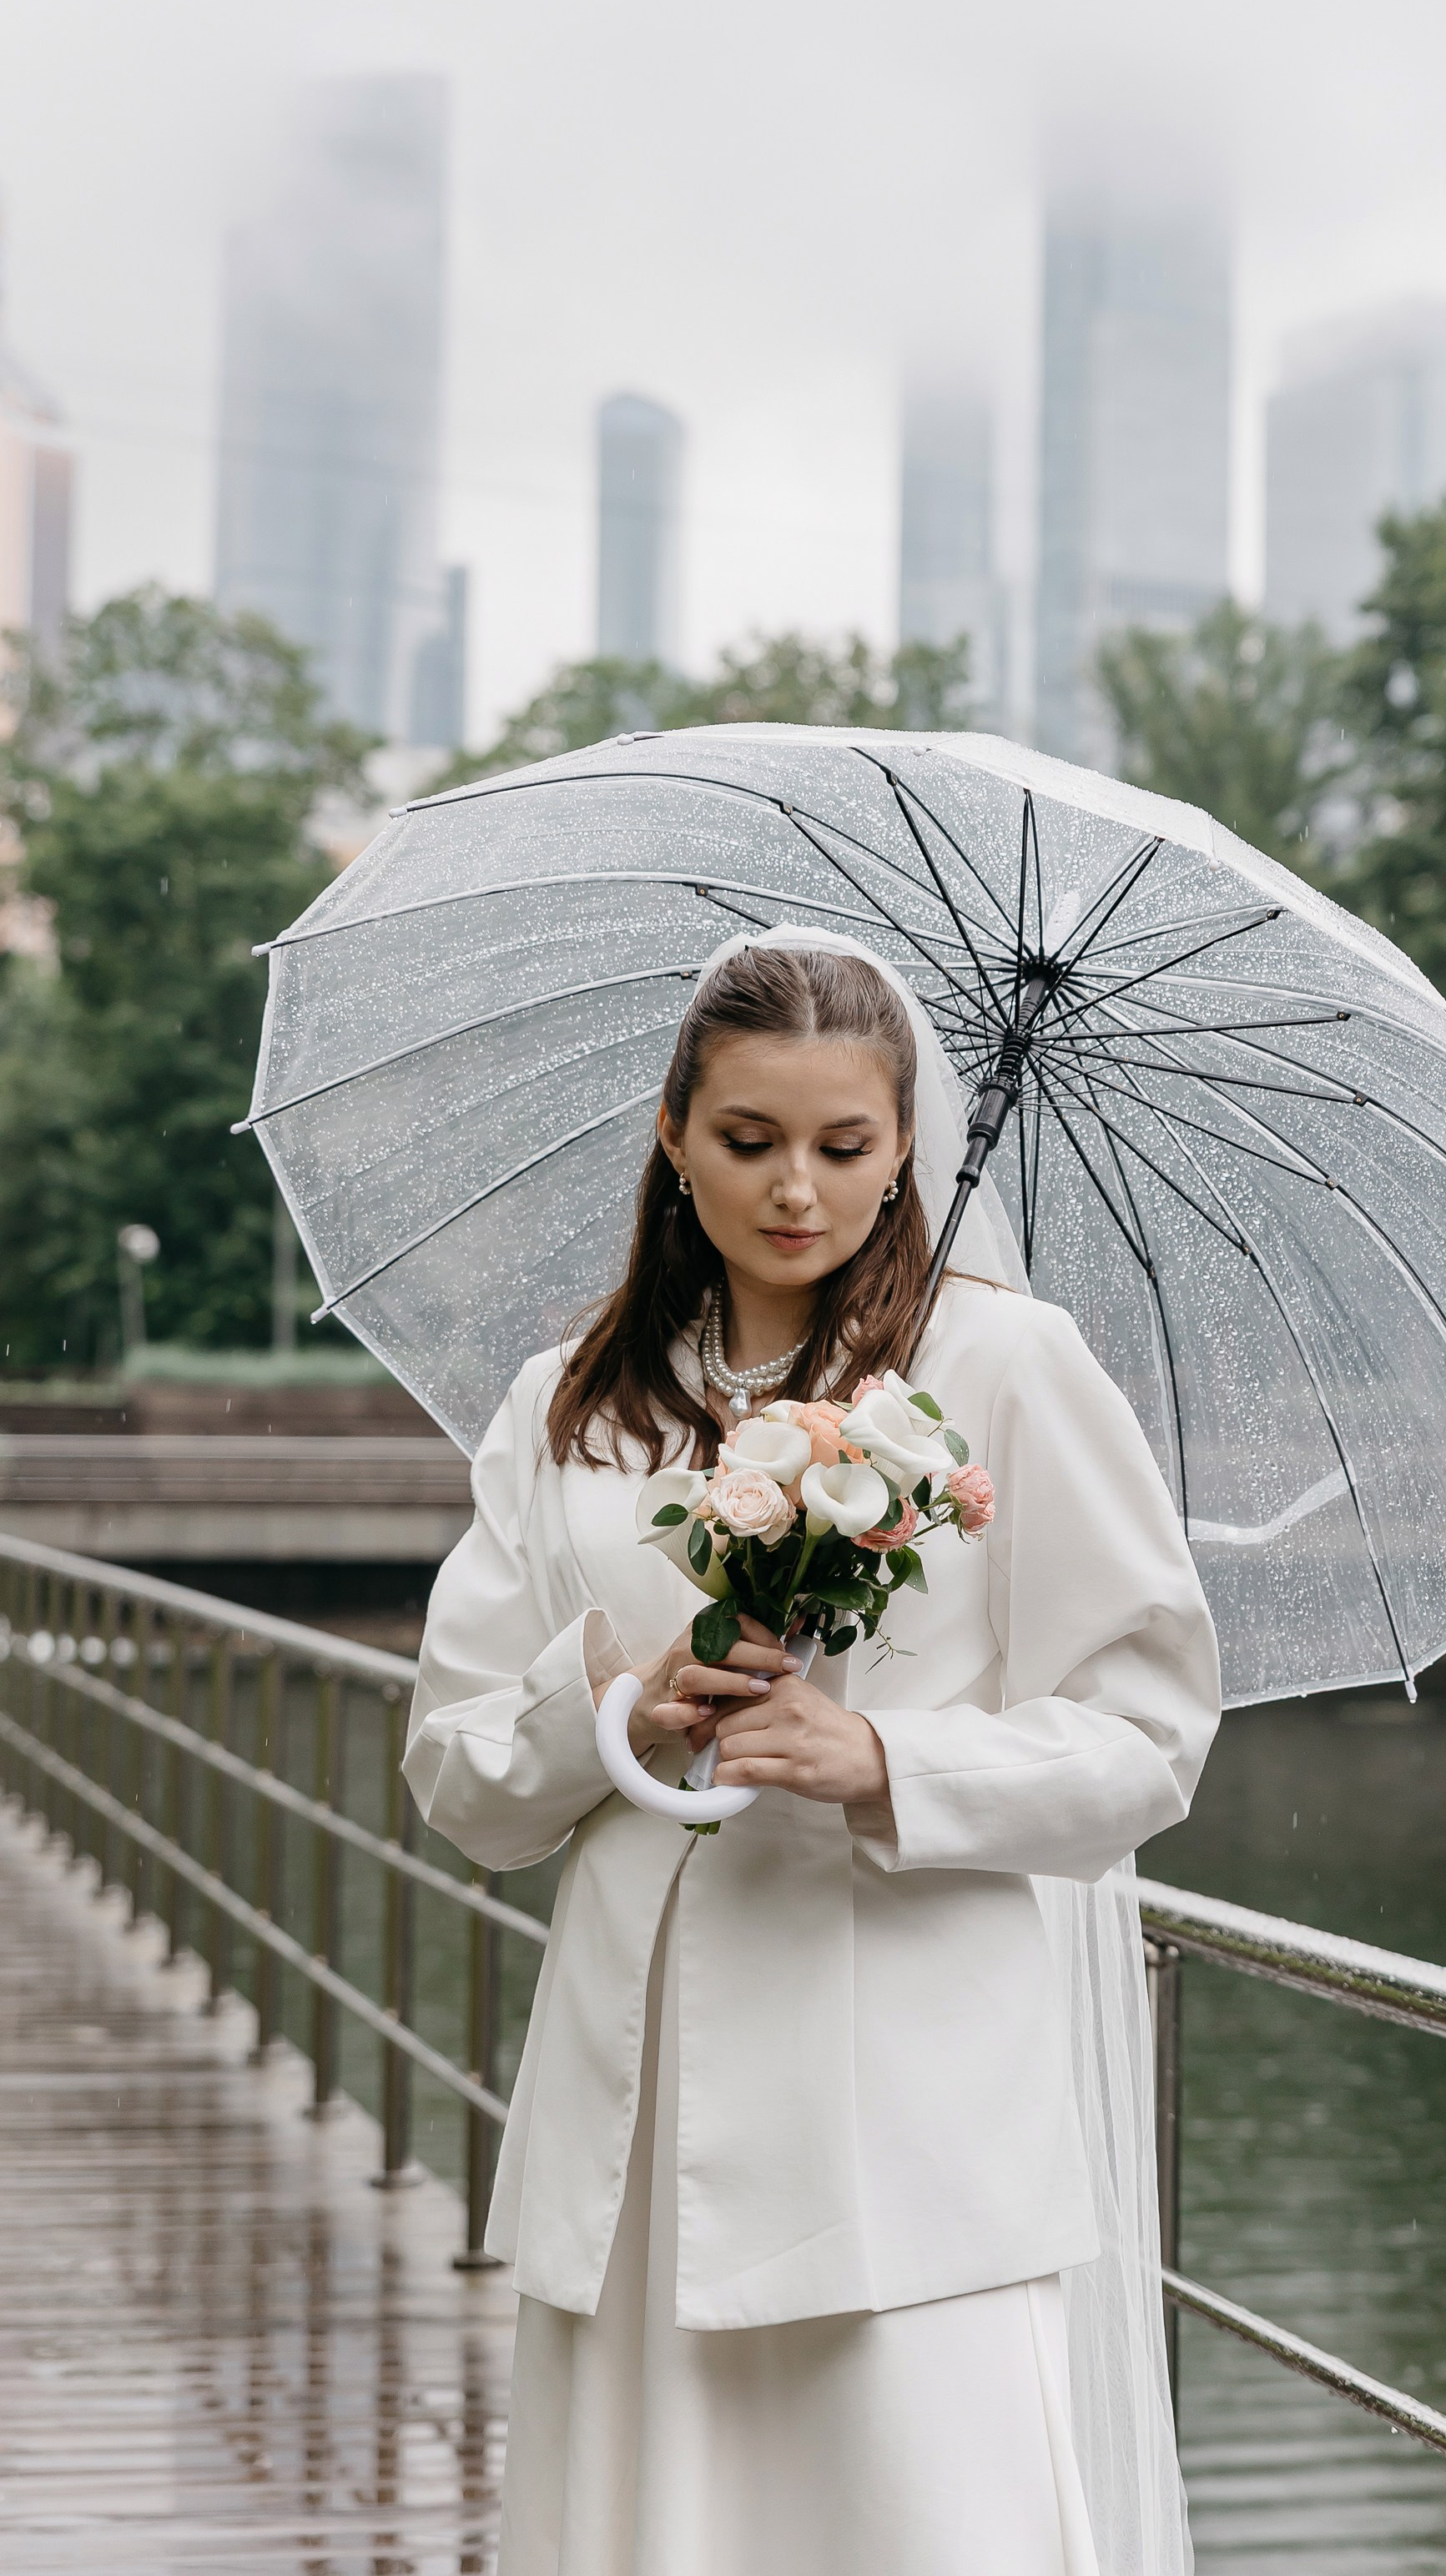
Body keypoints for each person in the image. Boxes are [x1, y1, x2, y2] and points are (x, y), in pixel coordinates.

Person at [404, 931, 1222, 2576]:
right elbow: (457, 1770)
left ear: (904, 1143)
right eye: (749, 1139)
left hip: (907, 2112)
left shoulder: (1002, 1367)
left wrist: (884, 1761)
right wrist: (615, 1709)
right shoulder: (569, 1405)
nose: (797, 1189)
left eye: (845, 1146)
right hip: (635, 2124)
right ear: (673, 1137)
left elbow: (1149, 1737)